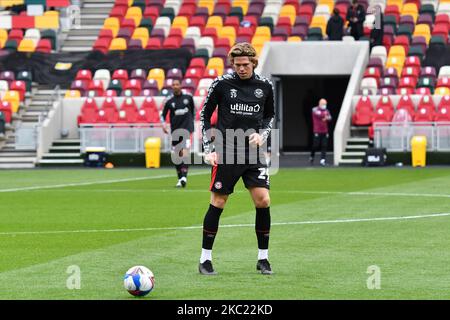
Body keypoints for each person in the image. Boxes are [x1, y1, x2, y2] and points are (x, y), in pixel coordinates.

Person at [199, 42, 275, 275]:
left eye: (245, 64)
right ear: (232, 63)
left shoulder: (265, 86)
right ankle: (205, 259)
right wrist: (208, 148)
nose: (241, 68)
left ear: (253, 62)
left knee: (263, 200)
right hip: (226, 150)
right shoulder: (221, 84)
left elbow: (270, 115)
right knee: (219, 202)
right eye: (237, 64)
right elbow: (204, 114)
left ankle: (263, 259)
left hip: (253, 153)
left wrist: (262, 136)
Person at [161, 79, 195, 188]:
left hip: (187, 130)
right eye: (173, 85)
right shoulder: (169, 101)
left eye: (177, 84)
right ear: (172, 87)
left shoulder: (188, 97)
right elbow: (163, 115)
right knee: (176, 155)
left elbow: (193, 111)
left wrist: (191, 123)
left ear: (181, 85)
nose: (175, 86)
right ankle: (180, 178)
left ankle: (184, 176)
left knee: (184, 152)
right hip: (175, 131)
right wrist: (164, 125)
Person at [309, 99, 332, 166]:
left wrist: (326, 117)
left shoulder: (326, 110)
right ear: (320, 103)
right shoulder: (315, 109)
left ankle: (322, 160)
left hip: (325, 131)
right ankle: (312, 156)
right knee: (315, 145)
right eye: (323, 104)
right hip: (317, 131)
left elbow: (330, 118)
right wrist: (325, 115)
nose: (324, 105)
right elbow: (319, 114)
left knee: (324, 145)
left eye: (325, 104)